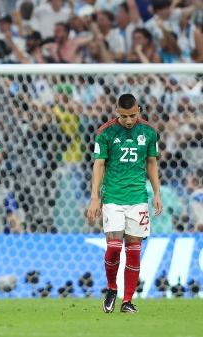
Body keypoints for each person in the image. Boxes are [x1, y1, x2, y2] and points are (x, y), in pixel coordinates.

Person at [87, 93, 162, 314]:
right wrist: (94, 197)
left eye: (132, 115)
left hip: (138, 198)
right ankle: (111, 288)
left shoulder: (148, 132)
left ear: (139, 109)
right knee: (113, 248)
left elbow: (151, 163)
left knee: (134, 250)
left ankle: (127, 300)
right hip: (113, 197)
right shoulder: (106, 132)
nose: (129, 120)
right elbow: (99, 165)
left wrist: (157, 192)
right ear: (116, 111)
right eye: (124, 116)